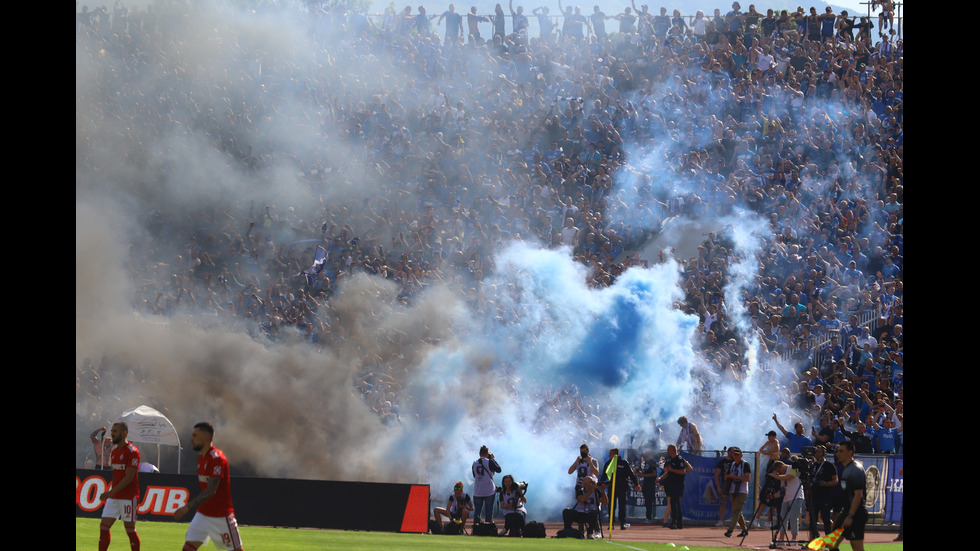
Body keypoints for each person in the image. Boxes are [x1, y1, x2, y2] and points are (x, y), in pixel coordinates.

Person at [174, 422, 244, 551]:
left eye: (195, 435)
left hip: (221, 516)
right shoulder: (201, 458)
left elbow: (211, 490)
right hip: (203, 514)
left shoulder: (217, 459)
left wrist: (187, 507)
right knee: (188, 548)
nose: (191, 438)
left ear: (206, 438)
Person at [97, 422, 141, 551]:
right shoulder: (115, 451)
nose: (112, 434)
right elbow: (117, 476)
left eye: (115, 432)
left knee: (130, 531)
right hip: (114, 496)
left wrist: (109, 493)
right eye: (112, 432)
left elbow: (128, 478)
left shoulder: (133, 452)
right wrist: (111, 493)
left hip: (128, 496)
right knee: (103, 527)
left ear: (124, 433)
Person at [833, 440, 868, 550]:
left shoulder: (855, 470)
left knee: (856, 547)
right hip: (847, 512)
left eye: (841, 451)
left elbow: (858, 495)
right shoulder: (846, 469)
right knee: (831, 543)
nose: (838, 454)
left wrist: (850, 516)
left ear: (850, 453)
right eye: (838, 451)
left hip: (855, 514)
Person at [598, 447, 641, 530]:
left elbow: (631, 474)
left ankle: (622, 523)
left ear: (615, 454)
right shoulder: (608, 464)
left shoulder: (624, 463)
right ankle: (611, 523)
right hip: (612, 487)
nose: (609, 455)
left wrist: (636, 484)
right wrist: (601, 483)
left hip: (622, 487)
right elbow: (604, 475)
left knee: (622, 505)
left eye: (610, 454)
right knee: (611, 505)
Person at [657, 444, 692, 529]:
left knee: (673, 502)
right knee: (676, 503)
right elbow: (667, 472)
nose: (667, 452)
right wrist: (660, 478)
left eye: (668, 450)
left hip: (678, 484)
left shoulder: (679, 459)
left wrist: (672, 470)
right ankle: (679, 522)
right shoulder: (669, 460)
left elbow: (683, 471)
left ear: (672, 450)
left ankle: (674, 522)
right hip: (671, 484)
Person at [768, 458, 804, 543]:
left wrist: (775, 476)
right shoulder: (782, 476)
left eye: (779, 471)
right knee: (782, 517)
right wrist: (773, 496)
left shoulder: (793, 468)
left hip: (796, 496)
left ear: (782, 466)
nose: (780, 474)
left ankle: (794, 538)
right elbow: (782, 490)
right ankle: (781, 537)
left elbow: (788, 477)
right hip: (787, 497)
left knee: (793, 518)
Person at [562, 474, 607, 539]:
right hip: (579, 513)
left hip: (589, 515)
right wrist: (591, 490)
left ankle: (590, 533)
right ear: (585, 484)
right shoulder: (580, 490)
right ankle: (568, 530)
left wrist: (603, 491)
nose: (593, 484)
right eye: (591, 482)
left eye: (593, 482)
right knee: (566, 511)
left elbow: (605, 503)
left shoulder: (596, 491)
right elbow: (582, 499)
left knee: (594, 512)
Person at [809, 444, 838, 536]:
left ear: (824, 453)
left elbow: (835, 480)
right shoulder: (812, 465)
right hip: (813, 495)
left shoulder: (829, 465)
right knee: (813, 519)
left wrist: (825, 484)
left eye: (819, 451)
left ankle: (828, 540)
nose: (817, 453)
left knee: (825, 519)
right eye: (816, 452)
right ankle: (813, 538)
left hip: (825, 496)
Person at [722, 447, 751, 538]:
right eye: (735, 455)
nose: (736, 456)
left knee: (736, 511)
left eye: (738, 455)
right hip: (732, 489)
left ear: (741, 455)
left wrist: (733, 477)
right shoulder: (732, 464)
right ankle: (744, 530)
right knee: (737, 511)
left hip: (742, 490)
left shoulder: (745, 464)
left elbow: (747, 479)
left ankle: (730, 530)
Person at [471, 445, 501, 526]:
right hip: (489, 490)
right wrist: (492, 459)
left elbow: (475, 475)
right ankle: (488, 528)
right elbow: (499, 469)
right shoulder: (490, 461)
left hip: (478, 490)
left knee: (477, 511)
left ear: (479, 453)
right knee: (489, 511)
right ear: (487, 454)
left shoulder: (474, 463)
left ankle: (476, 528)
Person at [635, 451, 660, 523]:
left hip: (650, 484)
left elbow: (654, 474)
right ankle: (648, 517)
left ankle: (649, 517)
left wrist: (643, 475)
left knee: (649, 501)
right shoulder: (645, 463)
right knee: (647, 501)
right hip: (646, 484)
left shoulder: (652, 462)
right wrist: (640, 474)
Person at [713, 448, 733, 527]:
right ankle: (721, 520)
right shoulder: (722, 462)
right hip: (725, 485)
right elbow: (716, 475)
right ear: (728, 452)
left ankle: (735, 520)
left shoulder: (737, 461)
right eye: (732, 452)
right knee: (723, 503)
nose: (734, 454)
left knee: (735, 503)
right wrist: (718, 487)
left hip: (735, 484)